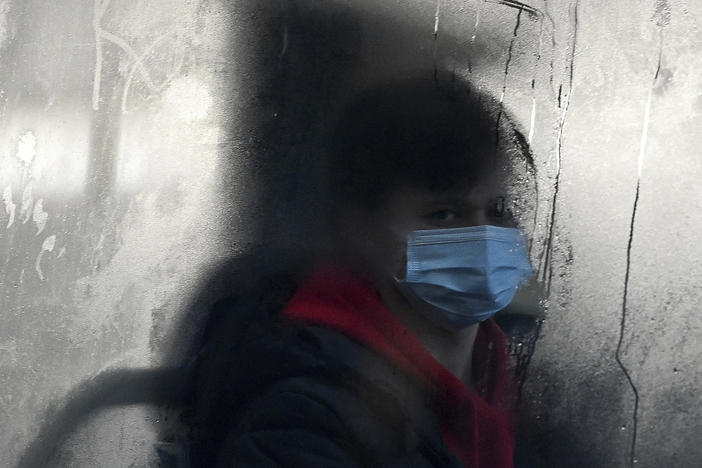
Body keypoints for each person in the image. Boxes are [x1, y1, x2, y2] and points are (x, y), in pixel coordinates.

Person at [186, 74, 535, 467]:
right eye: (443, 214)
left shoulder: (524, 388)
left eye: (500, 211)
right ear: (362, 228)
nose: (482, 235)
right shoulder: (307, 414)